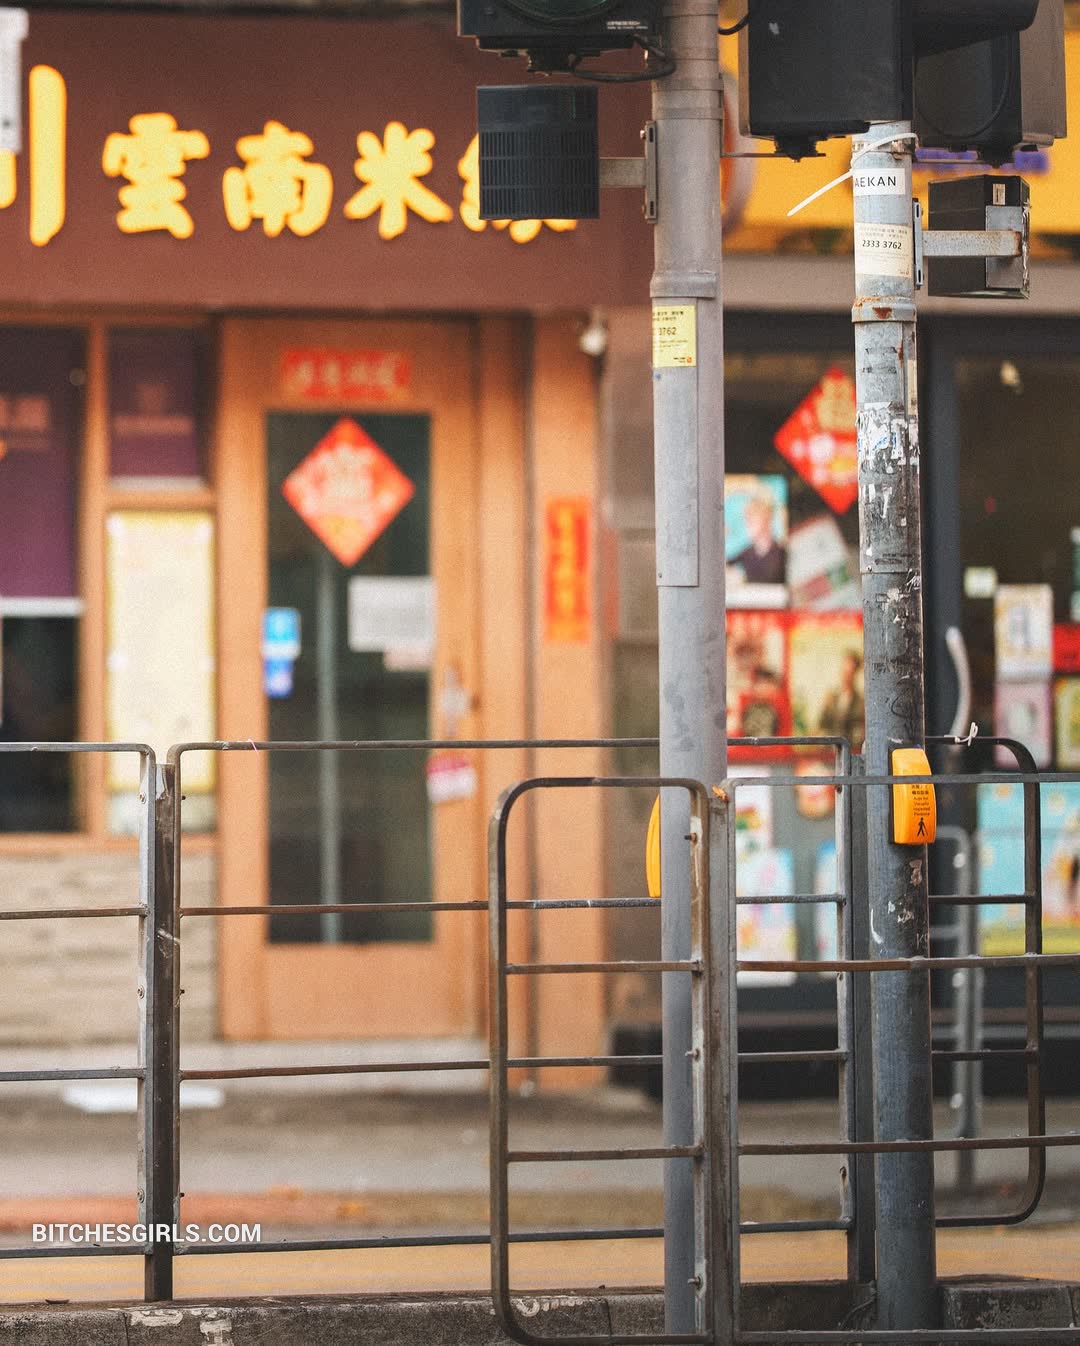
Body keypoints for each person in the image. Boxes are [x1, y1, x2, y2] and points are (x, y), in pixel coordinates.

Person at [731, 490, 785, 585]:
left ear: (766, 520)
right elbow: (722, 564)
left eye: (752, 521)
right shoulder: (747, 553)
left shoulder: (781, 553)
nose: (748, 527)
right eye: (747, 521)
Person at [818, 649, 865, 749]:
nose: (846, 676)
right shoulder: (831, 699)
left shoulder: (861, 703)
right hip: (829, 752)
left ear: (855, 674)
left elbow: (859, 733)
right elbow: (821, 726)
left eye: (850, 672)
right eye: (844, 671)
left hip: (850, 750)